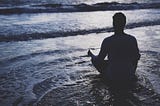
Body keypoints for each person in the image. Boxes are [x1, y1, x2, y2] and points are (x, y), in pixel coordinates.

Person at [88, 12, 140, 84]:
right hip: (129, 73)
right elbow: (136, 57)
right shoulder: (132, 39)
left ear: (113, 24)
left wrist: (92, 56)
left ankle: (107, 73)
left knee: (95, 60)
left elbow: (99, 60)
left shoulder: (107, 40)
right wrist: (132, 71)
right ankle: (129, 73)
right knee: (129, 61)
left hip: (113, 75)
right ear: (124, 24)